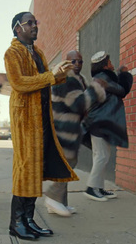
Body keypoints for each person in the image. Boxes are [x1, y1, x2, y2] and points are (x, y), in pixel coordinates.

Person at [4, 11, 79, 241]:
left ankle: (28, 219)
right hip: (25, 119)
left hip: (41, 119)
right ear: (17, 28)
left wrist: (60, 74)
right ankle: (16, 223)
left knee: (36, 169)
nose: (35, 26)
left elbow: (47, 79)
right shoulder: (12, 52)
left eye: (36, 22)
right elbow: (18, 83)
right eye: (29, 23)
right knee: (25, 168)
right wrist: (49, 76)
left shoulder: (38, 52)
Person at [44, 50, 106, 216]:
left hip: (69, 127)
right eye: (74, 61)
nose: (77, 64)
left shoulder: (78, 79)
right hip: (63, 127)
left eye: (80, 61)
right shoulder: (67, 79)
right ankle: (52, 196)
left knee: (68, 162)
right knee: (67, 164)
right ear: (67, 62)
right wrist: (96, 90)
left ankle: (59, 203)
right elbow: (79, 103)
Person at [82, 51, 133, 201]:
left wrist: (118, 74)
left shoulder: (104, 79)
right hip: (99, 123)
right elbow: (122, 90)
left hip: (102, 123)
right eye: (109, 62)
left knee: (102, 156)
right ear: (105, 65)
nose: (112, 64)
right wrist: (123, 74)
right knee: (102, 156)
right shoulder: (101, 80)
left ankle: (99, 188)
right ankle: (91, 189)